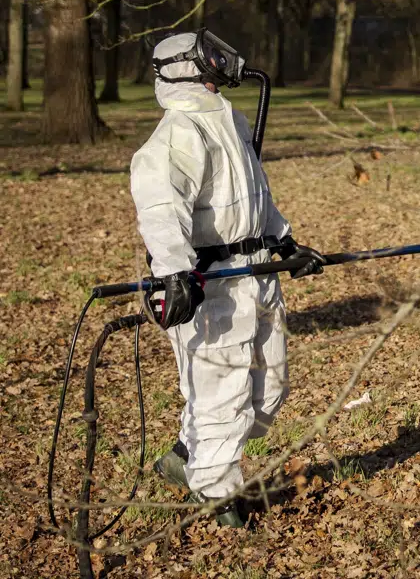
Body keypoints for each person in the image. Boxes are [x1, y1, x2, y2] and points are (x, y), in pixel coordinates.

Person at [129, 30, 326, 527]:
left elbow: (255, 192)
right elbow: (159, 209)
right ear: (185, 67)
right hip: (211, 285)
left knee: (268, 390)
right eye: (211, 56)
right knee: (223, 392)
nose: (222, 61)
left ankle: (185, 455)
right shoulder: (176, 136)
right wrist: (174, 273)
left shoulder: (230, 121)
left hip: (258, 273)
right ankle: (215, 494)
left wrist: (284, 242)